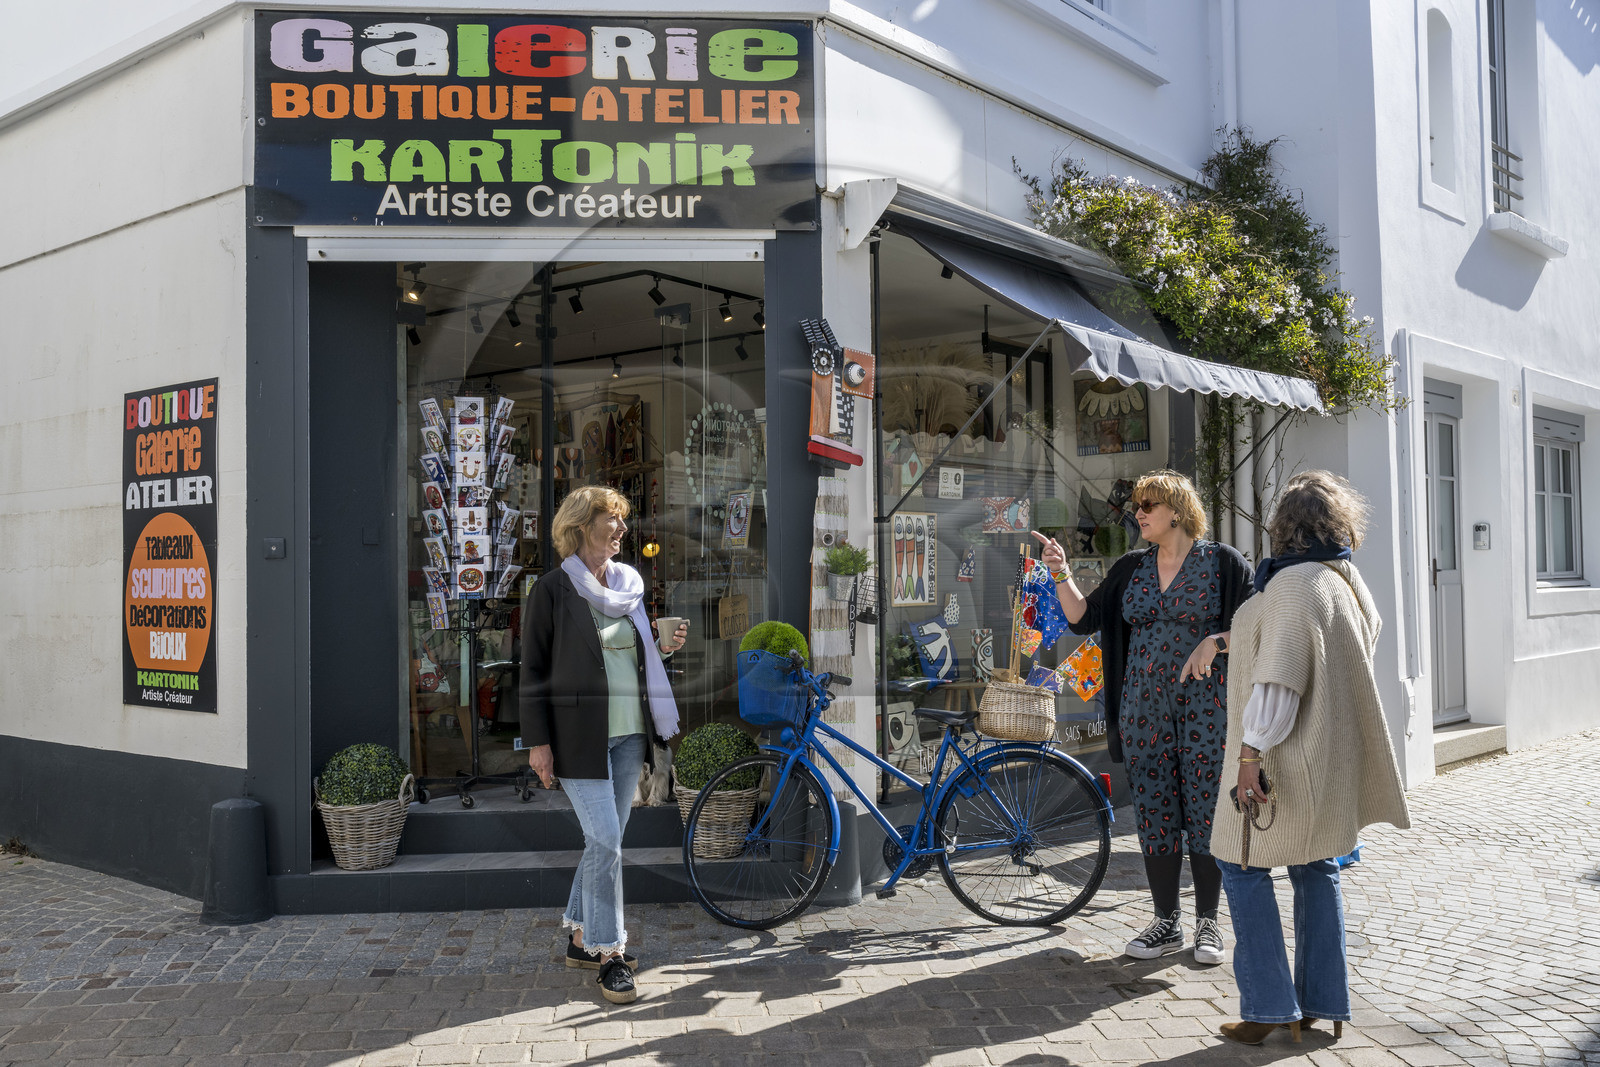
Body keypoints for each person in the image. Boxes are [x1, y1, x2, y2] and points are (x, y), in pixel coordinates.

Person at [1211, 470, 1410, 1045]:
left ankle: (1269, 1008)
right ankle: (1322, 1003)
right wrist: (1227, 638)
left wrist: (1249, 756)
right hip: (1325, 759)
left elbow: (1279, 680)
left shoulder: (1296, 585)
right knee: (1315, 867)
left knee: (1241, 866)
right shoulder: (1341, 579)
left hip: (1283, 758)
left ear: (1284, 527)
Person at [1034, 470, 1252, 965]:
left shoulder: (1222, 563)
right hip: (1142, 711)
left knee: (1203, 813)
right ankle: (1165, 921)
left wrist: (1215, 641)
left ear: (1176, 509)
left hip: (1206, 712)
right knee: (1155, 813)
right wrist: (1060, 571)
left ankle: (1208, 923)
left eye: (1148, 504)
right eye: (1138, 506)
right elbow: (1081, 618)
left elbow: (1255, 626)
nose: (1140, 513)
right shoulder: (1133, 566)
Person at [520, 485, 689, 1005]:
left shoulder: (628, 586)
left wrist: (659, 646)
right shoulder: (552, 590)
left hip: (627, 735)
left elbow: (628, 658)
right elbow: (532, 672)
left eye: (621, 520)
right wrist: (538, 743)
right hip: (576, 738)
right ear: (579, 526)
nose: (620, 529)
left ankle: (578, 939)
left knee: (603, 842)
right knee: (609, 843)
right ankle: (609, 952)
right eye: (609, 520)